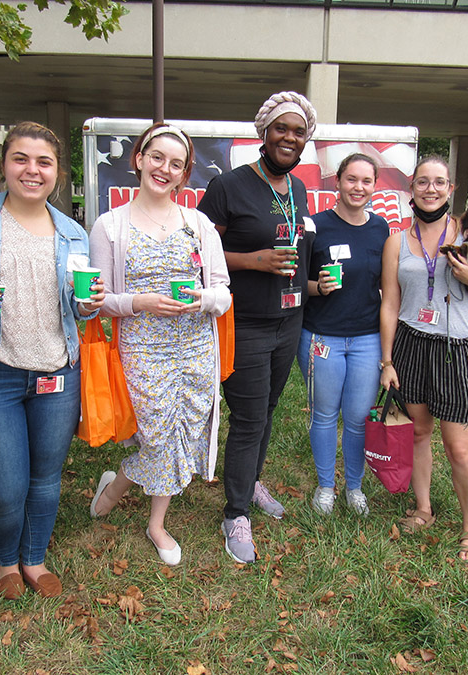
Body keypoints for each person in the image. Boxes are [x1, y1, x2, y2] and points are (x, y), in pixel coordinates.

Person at [0, 122, 103, 599]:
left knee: (45, 477)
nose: (32, 170)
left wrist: (88, 304)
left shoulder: (73, 233)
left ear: (58, 172)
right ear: (4, 164)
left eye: (44, 162)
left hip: (58, 370)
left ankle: (34, 558)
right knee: (3, 486)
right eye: (21, 158)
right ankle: (5, 561)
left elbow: (77, 307)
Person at [88, 123, 231, 566]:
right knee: (155, 433)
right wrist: (141, 301)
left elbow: (223, 293)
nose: (163, 169)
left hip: (194, 348)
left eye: (175, 163)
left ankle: (156, 522)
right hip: (143, 347)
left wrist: (200, 299)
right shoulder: (109, 225)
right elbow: (101, 301)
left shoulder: (199, 224)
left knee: (184, 430)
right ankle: (114, 488)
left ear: (184, 173)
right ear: (139, 158)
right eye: (156, 158)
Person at [198, 91, 317, 563]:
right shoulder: (228, 187)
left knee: (266, 411)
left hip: (289, 319)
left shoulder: (300, 190)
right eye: (282, 128)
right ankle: (235, 513)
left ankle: (248, 481)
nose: (290, 137)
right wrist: (253, 261)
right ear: (263, 134)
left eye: (299, 131)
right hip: (243, 322)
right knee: (248, 418)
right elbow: (197, 255)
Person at [379, 155, 468, 563]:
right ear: (412, 189)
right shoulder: (396, 241)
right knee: (418, 434)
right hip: (413, 345)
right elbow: (390, 304)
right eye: (423, 182)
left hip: (461, 347)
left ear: (451, 189)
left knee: (459, 448)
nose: (431, 189)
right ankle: (423, 509)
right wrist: (387, 360)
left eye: (439, 182)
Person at [297, 153, 388, 516]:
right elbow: (293, 282)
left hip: (367, 338)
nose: (359, 187)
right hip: (322, 336)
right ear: (338, 182)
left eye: (366, 181)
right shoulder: (315, 226)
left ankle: (354, 487)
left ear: (375, 186)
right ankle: (325, 487)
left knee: (357, 417)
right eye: (352, 179)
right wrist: (317, 287)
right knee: (324, 415)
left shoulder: (381, 228)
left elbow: (387, 285)